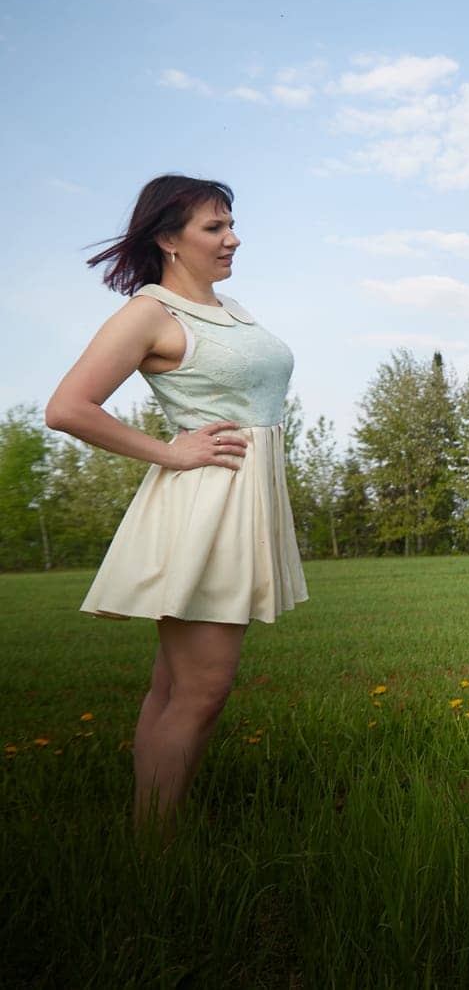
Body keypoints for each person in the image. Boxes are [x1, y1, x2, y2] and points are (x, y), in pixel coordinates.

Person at [45, 175, 306, 830]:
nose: (232, 238)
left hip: (242, 502)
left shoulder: (232, 309)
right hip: (204, 506)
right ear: (168, 238)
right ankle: (155, 854)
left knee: (174, 685)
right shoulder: (149, 313)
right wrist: (170, 451)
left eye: (230, 224)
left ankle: (150, 836)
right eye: (214, 228)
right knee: (203, 688)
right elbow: (66, 408)